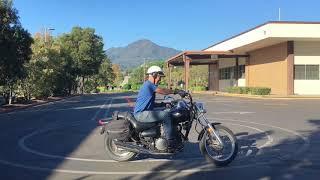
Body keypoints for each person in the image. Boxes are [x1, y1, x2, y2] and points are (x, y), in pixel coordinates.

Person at [133, 65, 185, 151]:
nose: (160, 79)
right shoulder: (149, 85)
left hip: (145, 112)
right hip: (141, 114)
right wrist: (176, 91)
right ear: (154, 75)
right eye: (159, 77)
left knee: (166, 111)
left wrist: (163, 104)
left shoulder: (148, 86)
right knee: (166, 115)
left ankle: (168, 137)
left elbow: (151, 104)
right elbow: (163, 91)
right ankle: (170, 142)